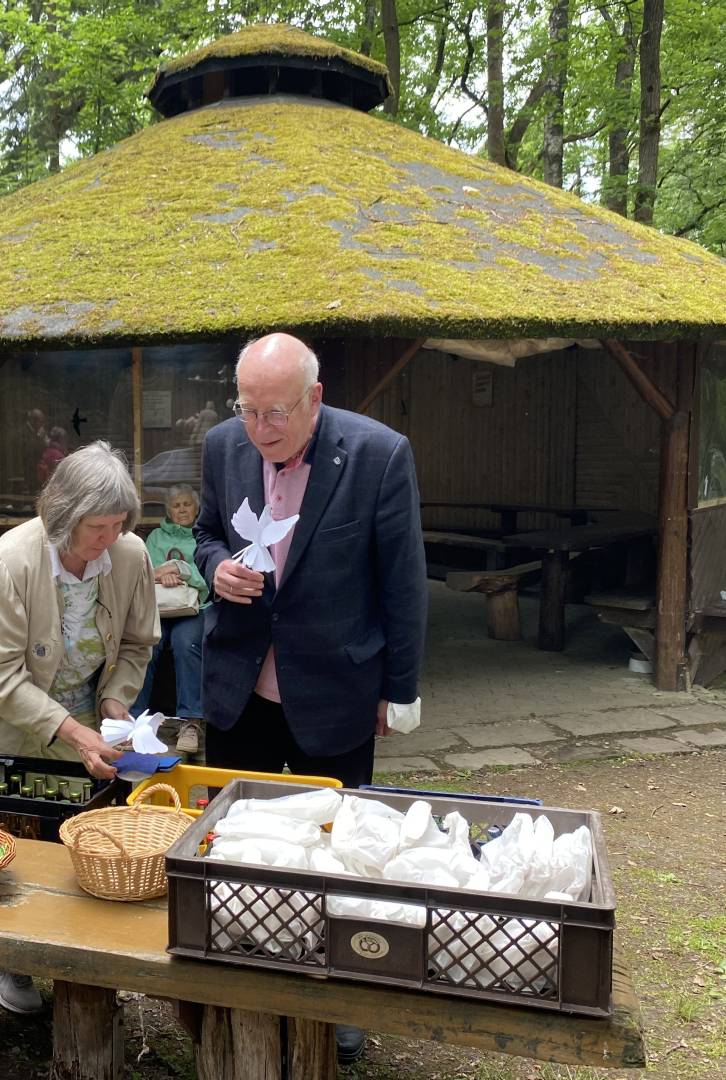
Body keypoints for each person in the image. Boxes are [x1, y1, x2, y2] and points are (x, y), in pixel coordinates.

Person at [194, 333, 428, 1065]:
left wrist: (401, 689)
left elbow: (403, 582)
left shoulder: (380, 455)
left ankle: (345, 993)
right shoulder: (222, 446)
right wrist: (215, 572)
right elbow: (204, 535)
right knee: (235, 838)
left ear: (315, 399)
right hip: (241, 685)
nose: (259, 430)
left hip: (336, 685)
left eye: (276, 414)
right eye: (248, 409)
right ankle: (234, 971)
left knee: (343, 846)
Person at [0, 441, 159, 1016]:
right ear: (62, 516)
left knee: (84, 848)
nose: (108, 538)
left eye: (119, 524)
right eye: (97, 526)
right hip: (17, 729)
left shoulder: (131, 554)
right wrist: (70, 729)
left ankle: (83, 976)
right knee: (21, 849)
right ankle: (13, 964)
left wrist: (116, 700)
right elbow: (3, 676)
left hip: (91, 727)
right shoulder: (12, 560)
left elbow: (139, 644)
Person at [133, 484, 209, 753]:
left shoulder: (203, 535)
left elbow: (208, 577)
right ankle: (134, 721)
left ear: (196, 507)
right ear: (167, 510)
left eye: (187, 504)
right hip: (161, 606)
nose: (182, 509)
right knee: (148, 644)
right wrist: (161, 574)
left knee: (186, 643)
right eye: (176, 505)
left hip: (195, 606)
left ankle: (191, 722)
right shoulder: (155, 538)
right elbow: (145, 573)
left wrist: (184, 572)